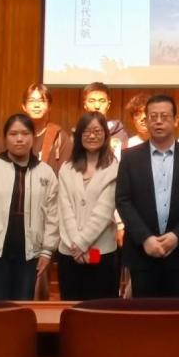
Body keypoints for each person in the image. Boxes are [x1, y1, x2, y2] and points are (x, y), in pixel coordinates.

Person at [115, 95, 179, 297]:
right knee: (144, 312)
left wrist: (177, 236)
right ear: (146, 120)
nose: (158, 121)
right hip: (142, 252)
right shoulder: (130, 157)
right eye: (153, 116)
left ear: (176, 120)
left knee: (177, 311)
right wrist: (145, 238)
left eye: (164, 116)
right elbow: (123, 200)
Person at [0, 113, 59, 301]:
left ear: (33, 137)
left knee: (22, 307)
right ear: (5, 138)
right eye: (13, 134)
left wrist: (47, 251)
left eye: (25, 133)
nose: (19, 139)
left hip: (29, 254)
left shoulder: (46, 173)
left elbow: (53, 215)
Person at [56, 111, 120, 300]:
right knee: (71, 307)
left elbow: (104, 211)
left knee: (100, 309)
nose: (92, 136)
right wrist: (76, 245)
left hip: (101, 252)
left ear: (106, 135)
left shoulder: (114, 167)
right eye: (86, 131)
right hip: (69, 252)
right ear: (79, 135)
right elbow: (64, 209)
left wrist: (82, 243)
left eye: (97, 131)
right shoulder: (66, 168)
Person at [23, 83, 69, 173]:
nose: (36, 105)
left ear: (49, 106)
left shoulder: (59, 136)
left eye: (41, 101)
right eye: (31, 101)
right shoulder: (17, 135)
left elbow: (66, 174)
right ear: (24, 106)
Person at [81, 83, 129, 155]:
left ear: (108, 105)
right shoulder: (77, 135)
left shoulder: (120, 134)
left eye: (102, 101)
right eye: (91, 101)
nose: (97, 106)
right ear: (85, 105)